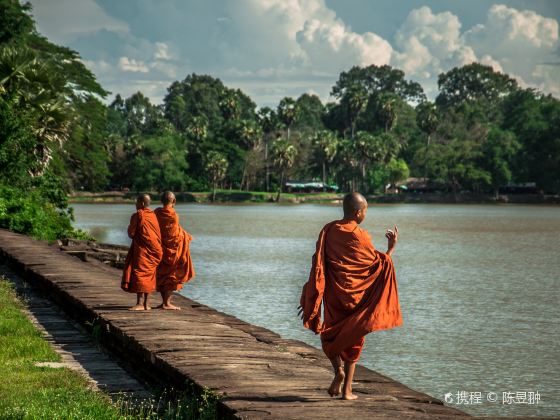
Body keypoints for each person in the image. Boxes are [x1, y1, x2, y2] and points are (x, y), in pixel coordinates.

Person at [299, 192, 403, 400]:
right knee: (354, 338)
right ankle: (347, 390)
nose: (365, 214)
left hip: (334, 294)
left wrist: (312, 291)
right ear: (358, 212)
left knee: (329, 333)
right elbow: (376, 266)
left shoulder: (329, 229)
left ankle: (338, 369)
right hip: (356, 296)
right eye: (365, 211)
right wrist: (390, 250)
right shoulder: (360, 235)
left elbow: (318, 262)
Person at [154, 191, 195, 310]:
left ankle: (164, 303)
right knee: (171, 276)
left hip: (160, 248)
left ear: (161, 201)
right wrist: (185, 237)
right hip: (173, 250)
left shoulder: (156, 212)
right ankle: (166, 303)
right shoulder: (174, 215)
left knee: (162, 275)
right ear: (174, 201)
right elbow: (175, 234)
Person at [121, 194, 163, 311]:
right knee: (149, 275)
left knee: (140, 272)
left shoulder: (138, 215)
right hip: (155, 250)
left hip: (143, 250)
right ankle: (147, 304)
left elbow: (131, 233)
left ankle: (139, 304)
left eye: (137, 203)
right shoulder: (153, 216)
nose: (135, 205)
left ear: (142, 203)